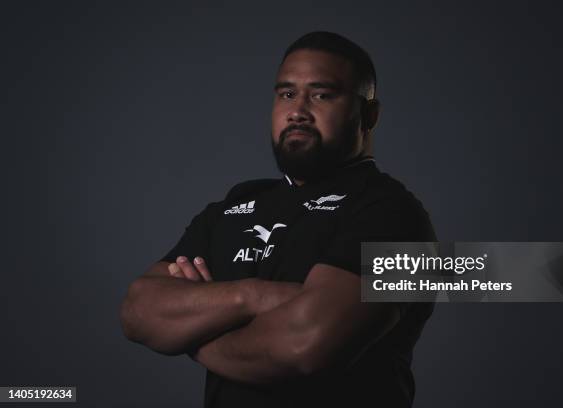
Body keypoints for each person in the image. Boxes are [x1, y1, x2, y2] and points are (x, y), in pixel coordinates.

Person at [120, 31, 436, 408]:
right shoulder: (235, 206)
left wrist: (191, 331)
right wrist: (252, 295)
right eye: (287, 94)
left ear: (369, 115)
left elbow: (304, 347)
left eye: (322, 95)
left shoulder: (392, 214)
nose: (298, 110)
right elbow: (138, 311)